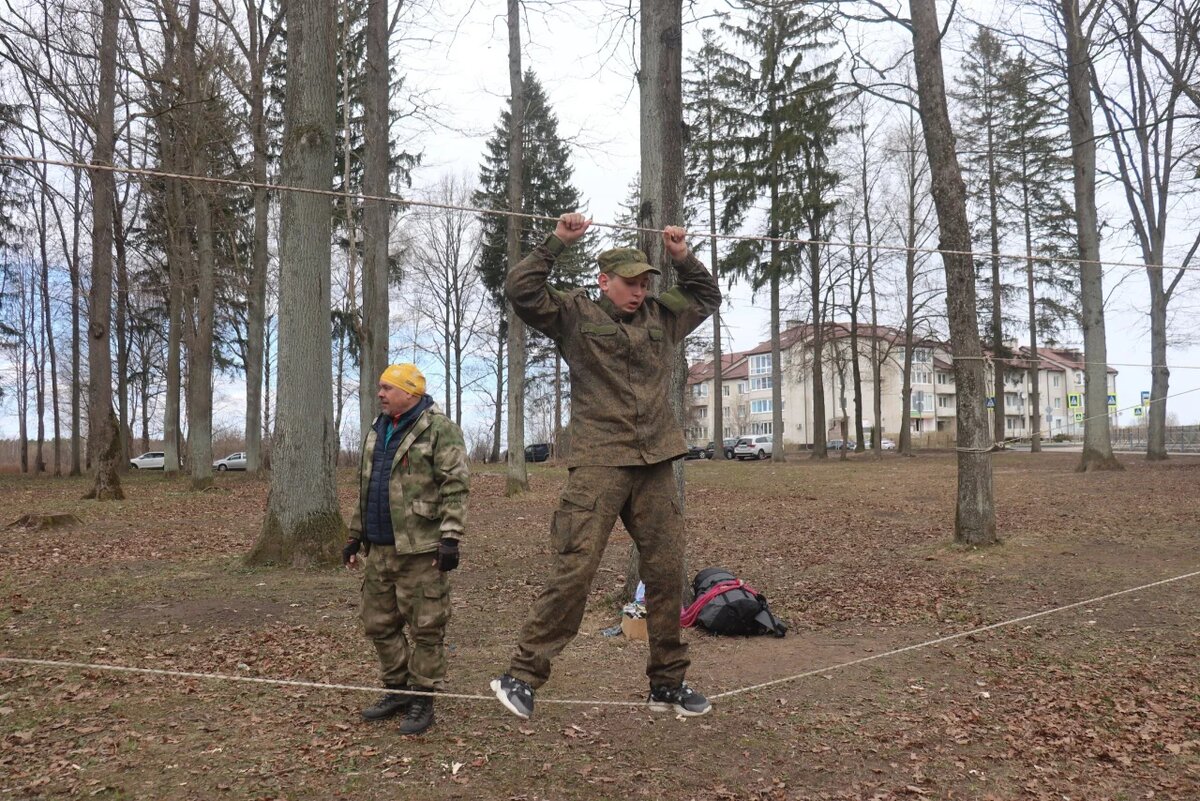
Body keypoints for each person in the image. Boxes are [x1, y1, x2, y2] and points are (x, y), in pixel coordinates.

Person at [491, 212, 722, 719]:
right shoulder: (574, 314)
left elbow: (706, 297)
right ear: (604, 281)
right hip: (600, 461)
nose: (638, 292)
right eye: (630, 284)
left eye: (644, 284)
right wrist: (557, 240)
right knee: (575, 569)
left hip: (656, 460)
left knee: (665, 574)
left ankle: (667, 683)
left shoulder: (663, 316)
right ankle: (522, 675)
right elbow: (521, 289)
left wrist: (682, 257)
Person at [342, 363, 469, 735]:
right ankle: (396, 688)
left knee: (427, 627)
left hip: (422, 549)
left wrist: (450, 537)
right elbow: (367, 487)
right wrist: (355, 535)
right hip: (379, 547)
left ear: (409, 393)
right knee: (377, 623)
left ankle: (422, 696)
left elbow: (455, 486)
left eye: (387, 388)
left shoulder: (439, 429)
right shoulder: (378, 428)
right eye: (379, 387)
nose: (380, 394)